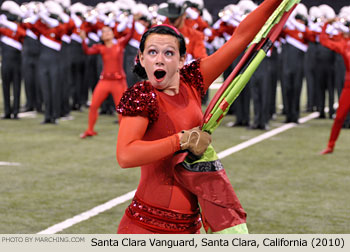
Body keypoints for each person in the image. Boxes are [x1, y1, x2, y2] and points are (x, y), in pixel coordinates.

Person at [116, 0, 283, 234]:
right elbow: (125, 155)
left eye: (169, 53)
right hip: (146, 226)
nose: (160, 59)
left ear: (182, 59)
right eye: (152, 52)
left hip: (191, 228)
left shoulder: (193, 80)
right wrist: (181, 140)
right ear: (142, 59)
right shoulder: (142, 95)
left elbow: (241, 37)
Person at [79, 20, 135, 139]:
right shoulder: (100, 47)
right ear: (102, 36)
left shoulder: (119, 44)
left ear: (113, 33)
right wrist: (83, 40)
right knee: (94, 105)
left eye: (109, 31)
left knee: (122, 109)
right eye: (104, 32)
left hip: (118, 81)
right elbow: (87, 51)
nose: (107, 33)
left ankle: (124, 134)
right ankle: (90, 130)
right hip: (105, 81)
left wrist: (133, 20)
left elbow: (130, 34)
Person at [319, 20, 350, 155]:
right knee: (339, 117)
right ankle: (330, 146)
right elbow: (323, 40)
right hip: (349, 86)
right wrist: (327, 23)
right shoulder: (344, 43)